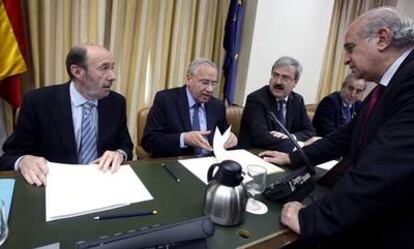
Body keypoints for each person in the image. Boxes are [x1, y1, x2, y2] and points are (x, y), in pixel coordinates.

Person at [260, 7, 414, 248]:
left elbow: (383, 168)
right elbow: (344, 137)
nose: (345, 59)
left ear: (382, 39)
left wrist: (313, 219)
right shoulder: (387, 87)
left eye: (351, 47)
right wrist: (293, 158)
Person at [0, 44, 133, 187]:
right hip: (54, 185)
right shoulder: (38, 102)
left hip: (105, 181)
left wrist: (119, 153)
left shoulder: (116, 102)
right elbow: (10, 155)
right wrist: (24, 160)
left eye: (112, 67)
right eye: (104, 68)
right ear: (77, 72)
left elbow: (126, 145)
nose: (113, 76)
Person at [141, 58, 237, 157]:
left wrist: (231, 138)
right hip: (177, 164)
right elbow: (149, 141)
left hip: (210, 163)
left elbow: (224, 134)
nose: (210, 89)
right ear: (188, 79)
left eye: (213, 84)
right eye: (205, 83)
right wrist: (183, 139)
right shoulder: (165, 100)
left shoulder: (217, 106)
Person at [238, 56, 315, 152]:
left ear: (295, 82)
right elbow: (262, 138)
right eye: (275, 75)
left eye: (285, 78)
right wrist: (299, 145)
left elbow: (310, 131)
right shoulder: (256, 99)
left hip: (285, 155)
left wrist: (290, 137)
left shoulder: (297, 100)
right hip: (256, 154)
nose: (278, 82)